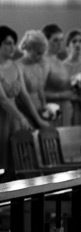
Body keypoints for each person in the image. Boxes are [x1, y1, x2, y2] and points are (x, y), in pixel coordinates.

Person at [0, 26, 48, 172]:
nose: (12, 47)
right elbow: (2, 100)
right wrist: (21, 117)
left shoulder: (16, 66)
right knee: (2, 158)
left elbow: (25, 95)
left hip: (15, 119)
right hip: (2, 118)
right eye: (8, 43)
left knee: (19, 159)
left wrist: (38, 119)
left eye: (13, 43)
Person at [43, 24, 76, 125]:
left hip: (66, 109)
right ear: (45, 41)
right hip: (52, 109)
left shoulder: (59, 61)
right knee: (54, 138)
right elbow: (38, 93)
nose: (59, 44)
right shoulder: (43, 62)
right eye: (55, 40)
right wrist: (62, 95)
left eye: (61, 40)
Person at [18, 30, 55, 121]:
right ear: (28, 48)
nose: (41, 57)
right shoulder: (18, 67)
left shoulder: (38, 66)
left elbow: (40, 90)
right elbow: (24, 96)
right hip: (24, 112)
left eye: (42, 54)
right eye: (38, 53)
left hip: (39, 111)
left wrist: (45, 108)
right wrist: (38, 119)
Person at [63, 29, 81, 125]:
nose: (77, 44)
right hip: (66, 108)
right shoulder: (61, 67)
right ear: (68, 45)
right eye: (74, 41)